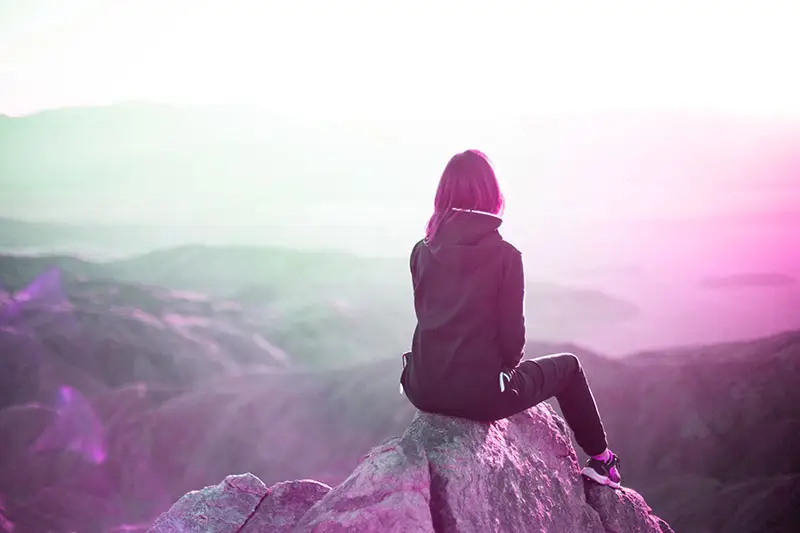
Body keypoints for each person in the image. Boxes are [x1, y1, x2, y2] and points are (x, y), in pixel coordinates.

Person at [399, 149, 622, 488]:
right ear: (492, 195)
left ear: (442, 195)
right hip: (482, 396)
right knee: (570, 367)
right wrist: (501, 372)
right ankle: (602, 461)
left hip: (422, 387)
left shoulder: (421, 250)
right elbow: (513, 345)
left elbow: (429, 316)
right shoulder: (505, 257)